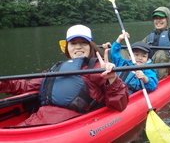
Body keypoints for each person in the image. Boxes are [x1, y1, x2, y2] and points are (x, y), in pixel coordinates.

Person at [0, 25, 129, 126]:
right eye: (73, 43)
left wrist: (112, 79)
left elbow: (120, 104)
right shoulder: (57, 68)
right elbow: (26, 86)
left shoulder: (98, 69)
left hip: (69, 125)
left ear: (91, 46)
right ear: (67, 47)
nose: (78, 47)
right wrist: (3, 83)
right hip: (38, 119)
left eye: (83, 43)